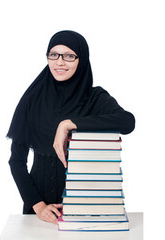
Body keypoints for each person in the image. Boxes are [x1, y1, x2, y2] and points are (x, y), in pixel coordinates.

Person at [7, 30, 135, 224]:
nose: (59, 62)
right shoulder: (32, 100)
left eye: (69, 56)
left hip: (88, 206)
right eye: (53, 55)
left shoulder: (95, 99)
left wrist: (69, 124)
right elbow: (16, 161)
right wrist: (38, 205)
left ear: (81, 60)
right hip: (41, 212)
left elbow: (127, 122)